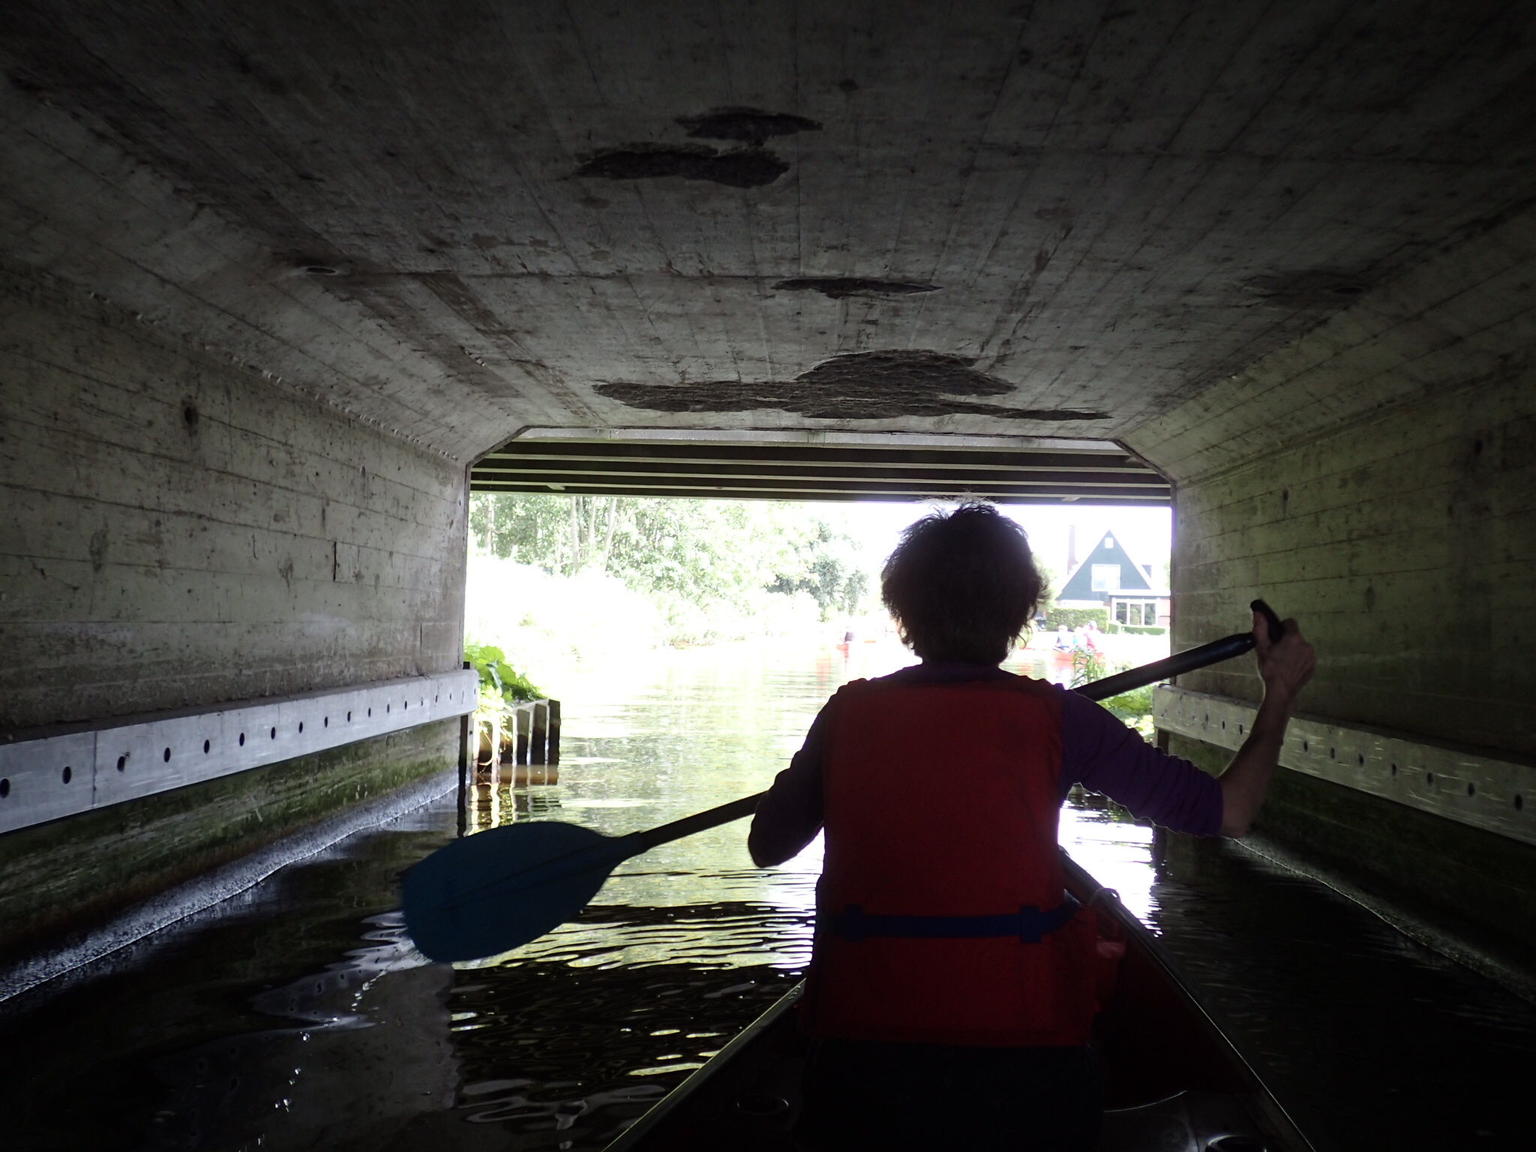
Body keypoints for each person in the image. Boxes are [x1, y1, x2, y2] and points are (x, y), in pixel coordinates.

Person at [749, 503, 1315, 1150]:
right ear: (1022, 613)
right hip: (1022, 1064)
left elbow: (768, 846)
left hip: (862, 1058)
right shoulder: (1062, 719)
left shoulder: (846, 714)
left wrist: (812, 768)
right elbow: (1229, 812)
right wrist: (1281, 695)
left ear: (902, 613)